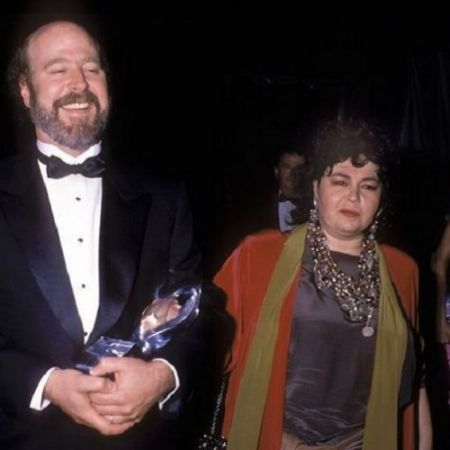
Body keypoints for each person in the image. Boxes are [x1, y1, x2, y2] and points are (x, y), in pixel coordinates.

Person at [0, 19, 207, 450]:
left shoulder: (165, 195)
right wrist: (45, 383)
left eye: (91, 68)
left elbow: (198, 310)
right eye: (58, 69)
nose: (79, 83)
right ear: (25, 90)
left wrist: (163, 375)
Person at [214, 118, 428, 450]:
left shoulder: (403, 271)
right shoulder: (260, 254)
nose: (353, 196)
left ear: (382, 197)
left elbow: (414, 385)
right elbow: (207, 344)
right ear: (315, 187)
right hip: (277, 442)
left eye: (368, 186)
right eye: (340, 181)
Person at [274, 149, 306, 232]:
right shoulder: (257, 208)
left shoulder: (316, 206)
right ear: (277, 171)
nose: (292, 174)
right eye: (287, 167)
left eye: (298, 168)